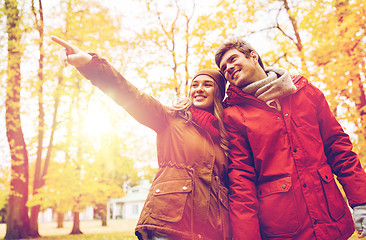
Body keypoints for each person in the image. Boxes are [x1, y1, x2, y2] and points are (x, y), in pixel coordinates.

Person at [51, 36, 232, 240]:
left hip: (210, 231)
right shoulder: (171, 118)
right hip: (167, 225)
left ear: (218, 92)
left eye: (207, 85)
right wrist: (90, 65)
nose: (199, 89)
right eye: (195, 84)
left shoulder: (225, 137)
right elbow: (130, 94)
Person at [214, 38, 366, 240]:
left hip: (331, 220)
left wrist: (361, 201)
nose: (229, 68)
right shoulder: (233, 116)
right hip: (283, 230)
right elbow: (241, 181)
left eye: (233, 59)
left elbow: (338, 148)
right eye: (224, 68)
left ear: (253, 56)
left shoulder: (305, 92)